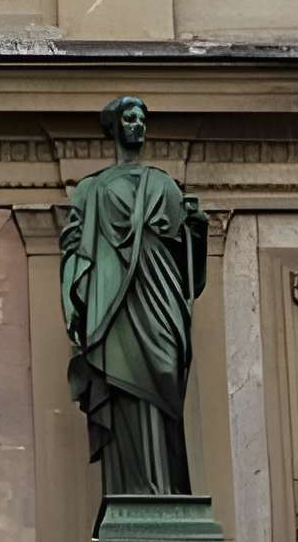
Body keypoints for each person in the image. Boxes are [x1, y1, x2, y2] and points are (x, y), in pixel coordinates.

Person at [57, 95, 206, 496]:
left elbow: (186, 257)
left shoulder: (164, 185)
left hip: (159, 292)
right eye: (130, 117)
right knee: (121, 384)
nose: (138, 123)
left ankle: (167, 486)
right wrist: (76, 305)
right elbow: (74, 248)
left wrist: (198, 227)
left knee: (164, 373)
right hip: (112, 298)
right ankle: (135, 489)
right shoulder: (91, 190)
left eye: (142, 117)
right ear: (115, 127)